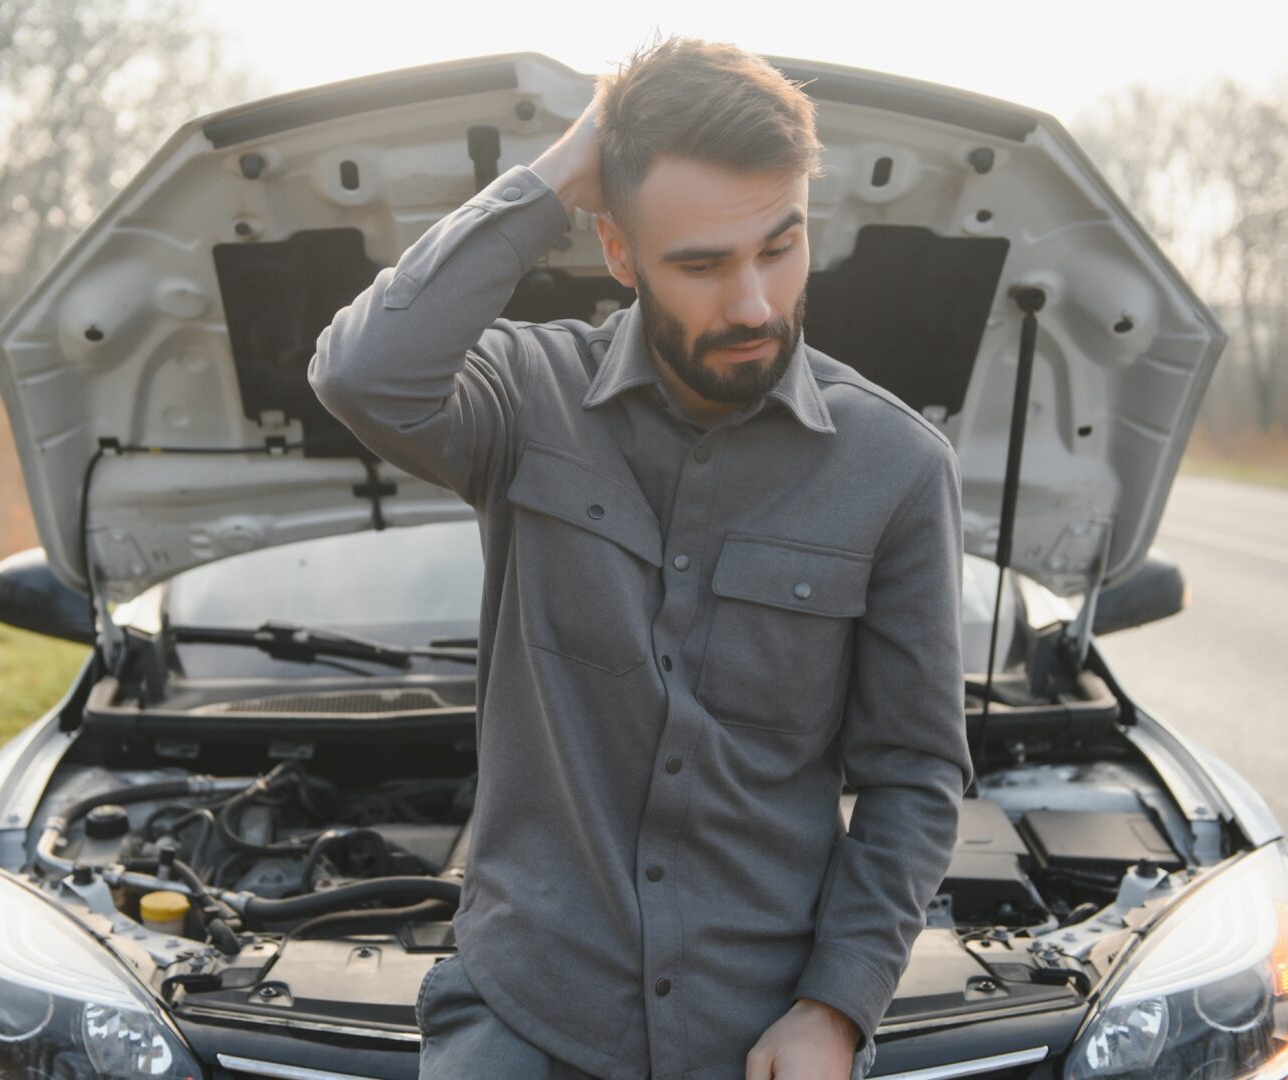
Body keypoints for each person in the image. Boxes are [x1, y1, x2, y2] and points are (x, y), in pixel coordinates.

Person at [308, 36, 971, 1080]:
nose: (752, 302)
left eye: (779, 246)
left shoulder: (897, 467)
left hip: (759, 1034)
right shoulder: (526, 399)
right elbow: (363, 375)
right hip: (526, 1011)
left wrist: (835, 1010)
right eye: (700, 264)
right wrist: (554, 177)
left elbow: (916, 775)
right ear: (617, 251)